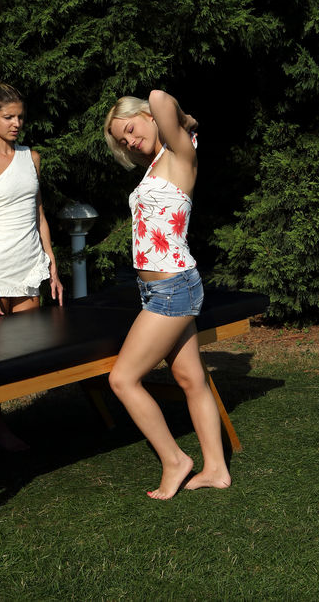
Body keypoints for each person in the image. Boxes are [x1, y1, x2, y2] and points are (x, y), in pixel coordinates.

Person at [102, 89, 230, 499]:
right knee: (190, 378)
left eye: (131, 128)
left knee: (123, 379)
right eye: (122, 140)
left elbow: (158, 96)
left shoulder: (180, 153)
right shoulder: (158, 163)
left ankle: (175, 460)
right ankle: (216, 469)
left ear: (147, 116)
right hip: (159, 287)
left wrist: (184, 120)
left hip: (172, 288)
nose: (129, 141)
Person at [0, 81, 64, 451]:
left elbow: (39, 215)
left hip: (29, 268)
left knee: (27, 355)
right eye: (8, 117)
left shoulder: (31, 158)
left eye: (20, 117)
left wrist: (52, 264)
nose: (16, 123)